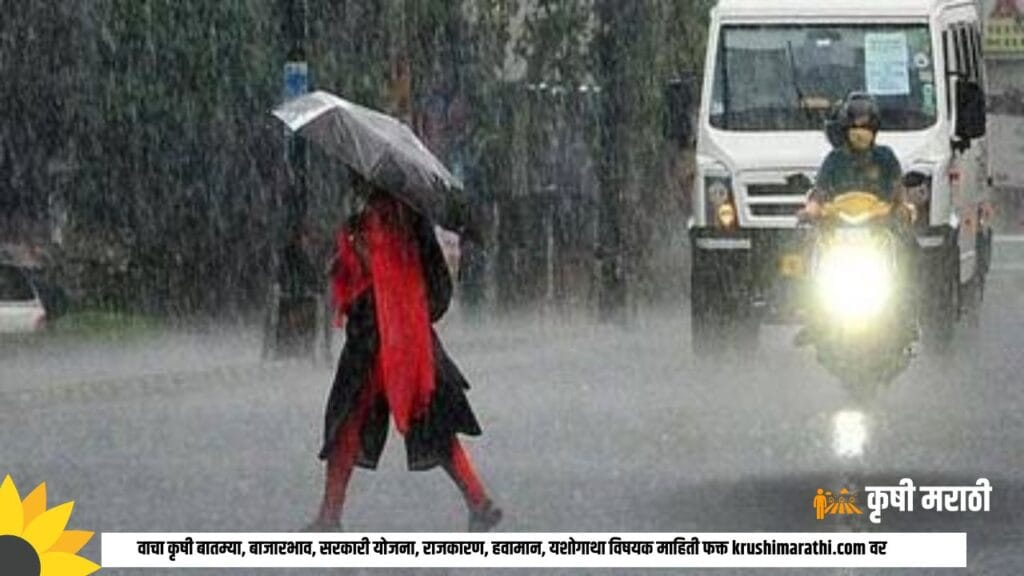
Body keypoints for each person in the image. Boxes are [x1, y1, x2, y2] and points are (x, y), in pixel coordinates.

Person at [308, 177, 502, 532]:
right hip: (410, 340)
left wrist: (358, 258)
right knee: (432, 424)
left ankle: (330, 516)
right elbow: (435, 286)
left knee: (347, 422)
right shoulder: (409, 222)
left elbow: (358, 287)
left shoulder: (370, 226)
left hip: (375, 343)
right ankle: (478, 500)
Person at [802, 92, 906, 219]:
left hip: (881, 227)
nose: (860, 133)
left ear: (874, 131)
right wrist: (811, 209)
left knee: (906, 237)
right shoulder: (834, 159)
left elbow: (898, 189)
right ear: (845, 130)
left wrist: (903, 208)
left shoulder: (886, 157)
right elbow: (820, 191)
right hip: (836, 227)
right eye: (854, 128)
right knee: (808, 237)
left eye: (866, 128)